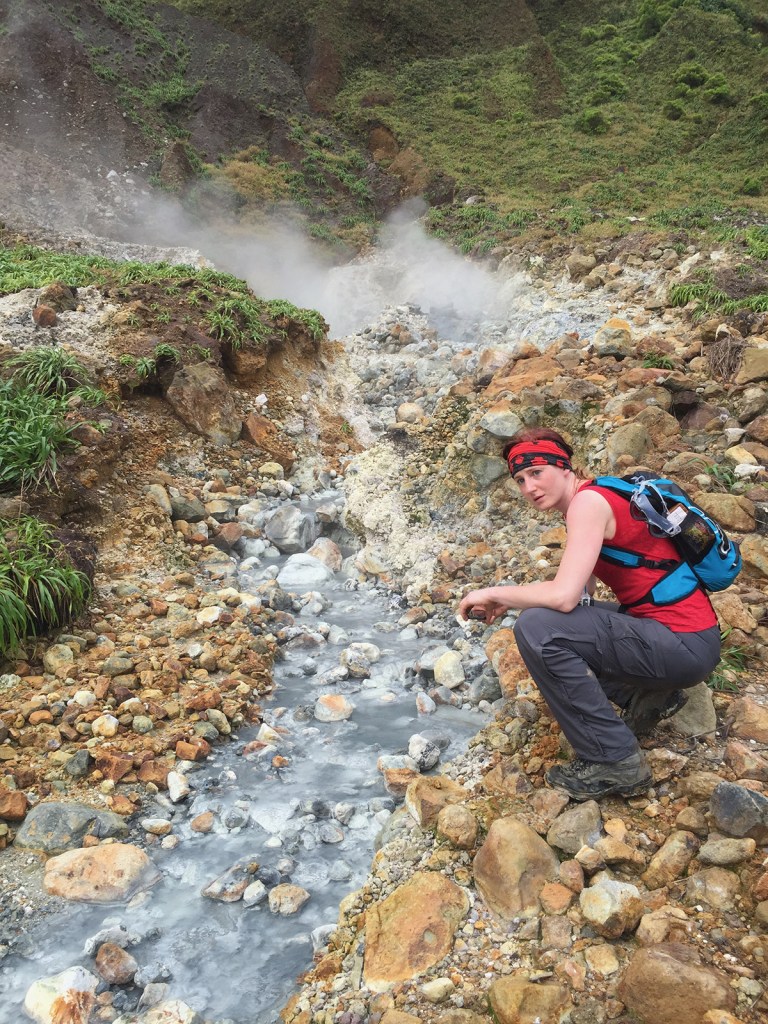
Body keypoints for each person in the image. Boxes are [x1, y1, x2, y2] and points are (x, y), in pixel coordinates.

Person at [458, 428, 721, 801]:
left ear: (564, 468)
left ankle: (615, 761)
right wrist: (515, 601)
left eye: (537, 472)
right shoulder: (599, 495)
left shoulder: (587, 505)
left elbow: (564, 598)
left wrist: (491, 592)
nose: (528, 487)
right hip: (688, 638)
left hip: (683, 644)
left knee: (538, 629)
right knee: (550, 622)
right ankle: (647, 696)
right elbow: (583, 593)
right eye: (520, 479)